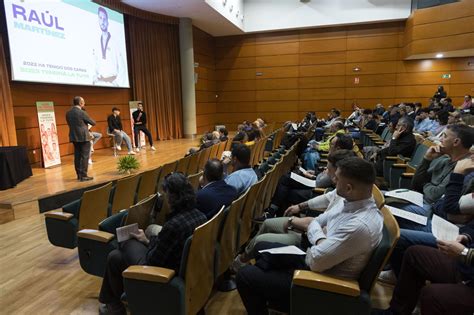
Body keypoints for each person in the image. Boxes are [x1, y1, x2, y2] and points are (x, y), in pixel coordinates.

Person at [236, 157, 383, 314]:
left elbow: (316, 261)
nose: (332, 180)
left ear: (348, 188)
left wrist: (317, 237)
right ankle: (269, 290)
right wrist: (321, 238)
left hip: (322, 284)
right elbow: (317, 221)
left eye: (337, 178)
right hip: (319, 259)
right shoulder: (351, 200)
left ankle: (269, 290)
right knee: (261, 248)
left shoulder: (360, 226)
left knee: (245, 276)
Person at [98, 173, 207, 315]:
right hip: (185, 272)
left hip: (163, 275)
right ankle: (114, 303)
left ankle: (118, 303)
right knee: (115, 257)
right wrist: (148, 240)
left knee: (126, 242)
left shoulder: (173, 226)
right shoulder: (201, 216)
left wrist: (148, 243)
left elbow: (153, 260)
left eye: (166, 194)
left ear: (172, 198)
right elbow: (168, 247)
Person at [232, 149, 356, 271]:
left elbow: (322, 245)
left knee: (260, 242)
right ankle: (244, 259)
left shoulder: (352, 210)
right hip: (309, 231)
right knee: (267, 223)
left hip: (308, 244)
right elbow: (325, 200)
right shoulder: (343, 193)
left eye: (329, 170)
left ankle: (245, 263)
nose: (328, 174)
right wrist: (300, 208)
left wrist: (303, 224)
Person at [388, 124, 474, 231]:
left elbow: (434, 195)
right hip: (422, 200)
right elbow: (416, 184)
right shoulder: (444, 160)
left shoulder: (463, 169)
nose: (440, 139)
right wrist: (427, 159)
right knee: (383, 199)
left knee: (387, 211)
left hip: (433, 211)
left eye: (444, 136)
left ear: (456, 142)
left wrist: (425, 184)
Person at [93, 7, 127, 87]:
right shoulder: (96, 43)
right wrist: (95, 78)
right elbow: (95, 64)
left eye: (105, 19)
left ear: (108, 22)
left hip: (113, 84)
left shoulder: (115, 42)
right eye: (100, 18)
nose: (103, 21)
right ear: (98, 20)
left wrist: (117, 83)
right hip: (100, 83)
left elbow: (122, 67)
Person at [65, 96, 96, 181]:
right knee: (85, 156)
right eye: (83, 102)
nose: (84, 103)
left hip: (74, 136)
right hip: (83, 137)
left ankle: (79, 175)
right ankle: (84, 176)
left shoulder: (68, 113)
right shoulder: (82, 112)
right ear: (80, 103)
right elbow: (93, 123)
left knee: (77, 156)